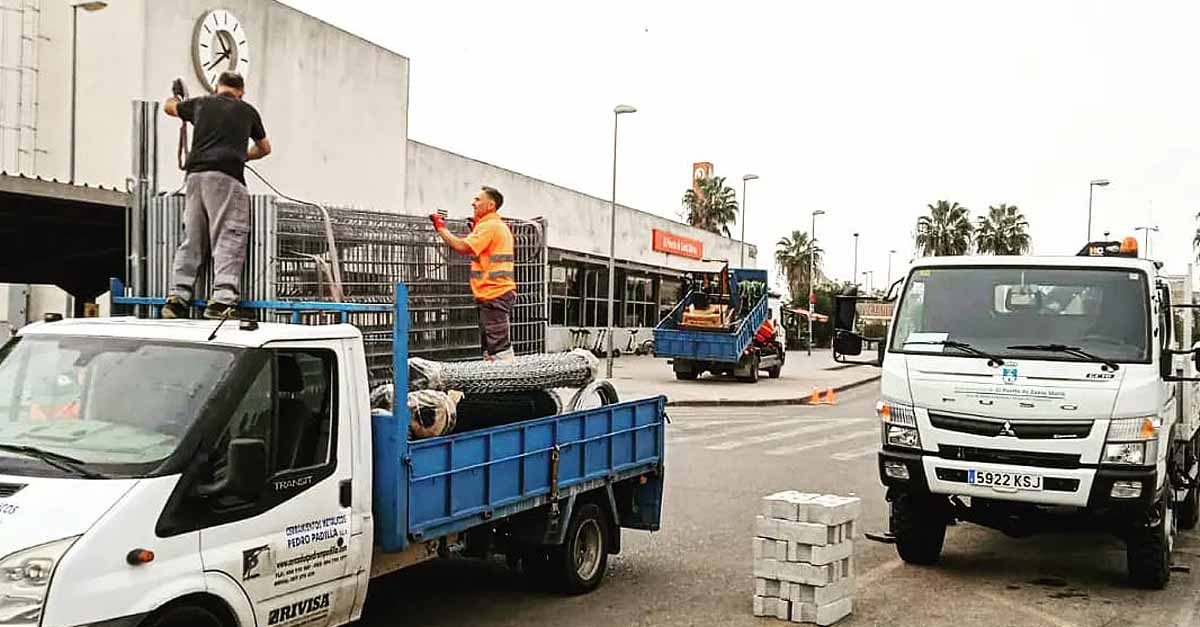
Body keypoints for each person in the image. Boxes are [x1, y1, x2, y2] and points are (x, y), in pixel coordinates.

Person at [160, 71, 272, 319]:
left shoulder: (202, 103)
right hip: (227, 178)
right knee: (228, 235)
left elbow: (169, 108)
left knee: (192, 238)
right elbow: (265, 148)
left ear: (217, 87)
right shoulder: (247, 110)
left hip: (195, 178)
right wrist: (242, 155)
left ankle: (177, 298)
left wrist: (175, 98)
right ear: (241, 91)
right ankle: (222, 300)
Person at [430, 187, 517, 360]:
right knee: (490, 349)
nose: (473, 203)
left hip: (494, 294)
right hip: (494, 294)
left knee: (499, 349)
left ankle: (507, 381)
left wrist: (441, 228)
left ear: (490, 204)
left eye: (477, 199)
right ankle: (494, 379)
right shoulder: (496, 225)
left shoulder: (489, 226)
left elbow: (462, 247)